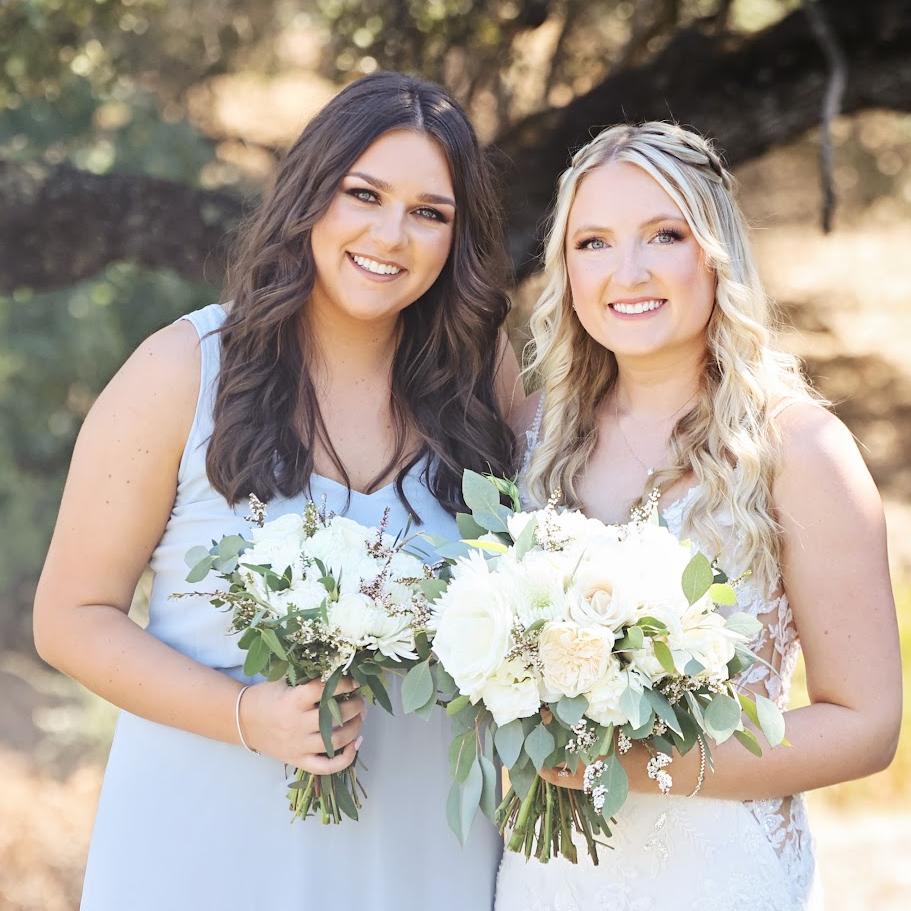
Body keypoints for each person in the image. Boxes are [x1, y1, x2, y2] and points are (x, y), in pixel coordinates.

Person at [33, 71, 521, 911]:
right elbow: (70, 618)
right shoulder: (184, 369)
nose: (390, 235)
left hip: (419, 857)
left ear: (457, 237)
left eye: (429, 213)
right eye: (363, 193)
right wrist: (246, 713)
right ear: (309, 191)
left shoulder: (483, 384)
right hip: (204, 850)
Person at [495, 122, 901, 911]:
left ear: (714, 250)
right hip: (544, 876)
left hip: (714, 878)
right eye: (593, 243)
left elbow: (866, 724)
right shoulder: (526, 438)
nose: (628, 272)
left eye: (664, 234)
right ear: (565, 268)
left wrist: (634, 763)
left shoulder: (798, 451)